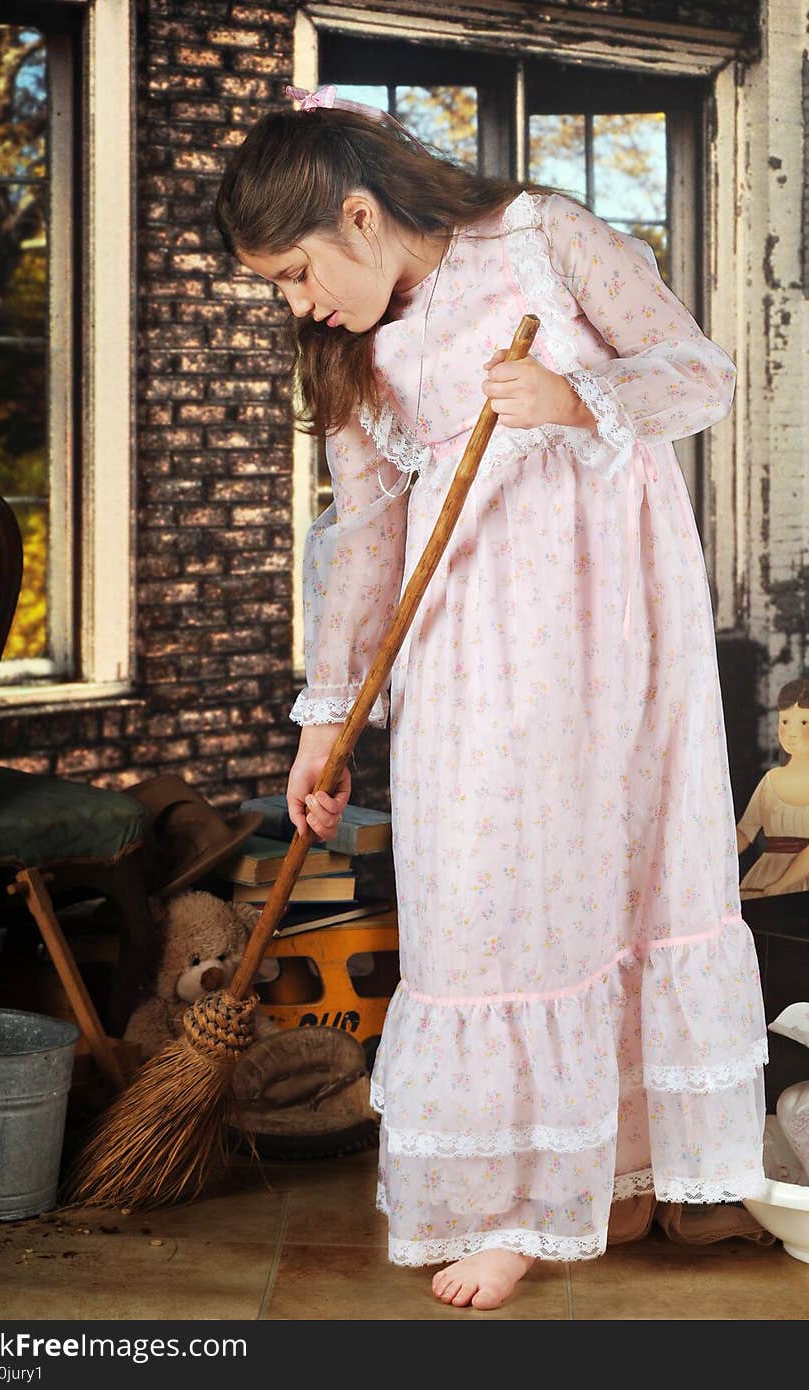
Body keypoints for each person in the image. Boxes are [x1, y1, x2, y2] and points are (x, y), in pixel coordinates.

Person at [215, 84, 768, 1311]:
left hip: (618, 630)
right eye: (277, 290)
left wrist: (578, 401)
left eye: (296, 272)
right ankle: (520, 1199)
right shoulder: (353, 349)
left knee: (619, 872)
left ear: (358, 216)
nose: (297, 304)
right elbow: (363, 535)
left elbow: (700, 375)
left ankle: (613, 1179)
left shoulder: (542, 238)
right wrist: (323, 721)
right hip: (475, 648)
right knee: (492, 899)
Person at [736, 677, 809, 898]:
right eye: (785, 722)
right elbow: (745, 832)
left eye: (804, 722)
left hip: (792, 886)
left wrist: (778, 886)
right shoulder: (771, 779)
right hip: (763, 880)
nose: (791, 732)